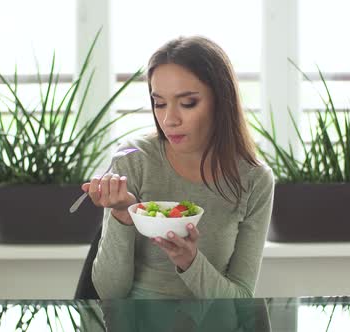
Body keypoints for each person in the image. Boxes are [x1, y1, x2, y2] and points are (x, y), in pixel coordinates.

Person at [81, 35, 274, 300]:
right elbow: (109, 292)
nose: (169, 119)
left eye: (188, 103)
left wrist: (190, 261)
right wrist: (122, 217)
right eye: (159, 103)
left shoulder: (254, 180)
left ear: (221, 101)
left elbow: (241, 299)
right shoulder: (134, 159)